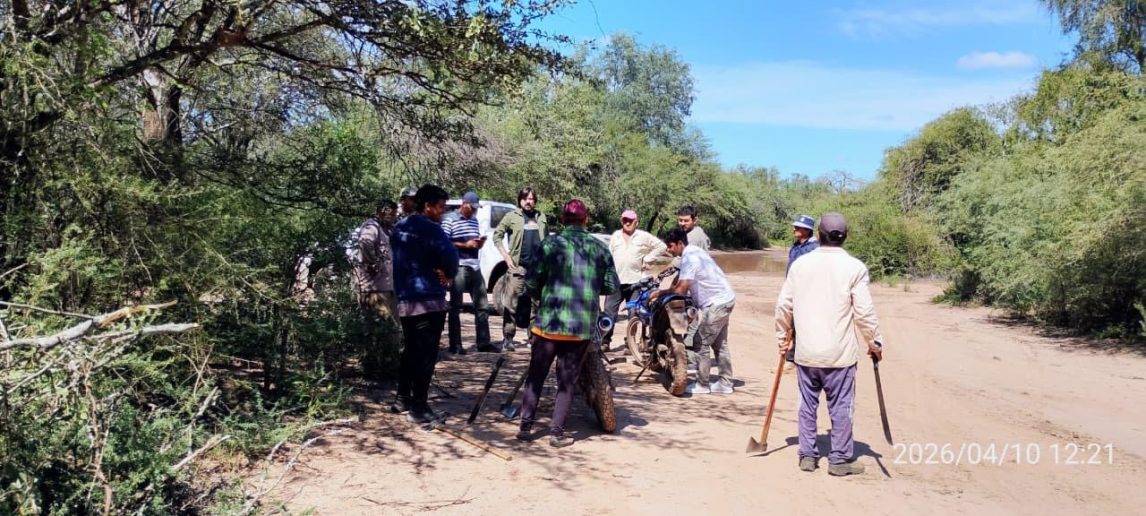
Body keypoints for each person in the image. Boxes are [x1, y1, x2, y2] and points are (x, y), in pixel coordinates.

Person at [775, 212, 884, 476]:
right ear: (845, 237)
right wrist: (875, 342)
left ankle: (808, 455)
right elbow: (864, 313)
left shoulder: (801, 265)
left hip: (806, 353)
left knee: (806, 405)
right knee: (841, 407)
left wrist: (782, 339)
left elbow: (783, 306)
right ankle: (839, 460)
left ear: (818, 234)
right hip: (840, 355)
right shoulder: (855, 267)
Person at [517, 199, 618, 448]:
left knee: (536, 376)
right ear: (586, 219)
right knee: (567, 381)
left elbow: (531, 282)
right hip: (580, 328)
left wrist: (542, 295)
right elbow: (611, 286)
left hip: (548, 325)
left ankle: (525, 428)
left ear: (562, 220)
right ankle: (556, 433)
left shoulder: (549, 244)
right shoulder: (600, 248)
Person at [390, 184, 459, 423]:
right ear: (427, 205)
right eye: (440, 207)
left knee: (410, 350)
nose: (442, 212)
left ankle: (402, 398)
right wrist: (447, 274)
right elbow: (451, 258)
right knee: (426, 355)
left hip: (405, 299)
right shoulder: (432, 230)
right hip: (429, 300)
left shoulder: (399, 227)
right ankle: (419, 407)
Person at [658, 228, 736, 394]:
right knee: (720, 344)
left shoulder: (690, 258)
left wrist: (660, 293)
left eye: (671, 246)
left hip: (716, 304)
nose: (669, 250)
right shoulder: (695, 252)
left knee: (701, 342)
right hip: (726, 298)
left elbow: (680, 290)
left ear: (680, 243)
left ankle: (702, 384)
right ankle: (725, 383)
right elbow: (682, 283)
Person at [603, 209, 668, 349]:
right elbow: (608, 256)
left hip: (636, 282)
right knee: (609, 312)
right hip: (616, 281)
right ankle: (605, 342)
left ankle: (630, 344)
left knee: (633, 314)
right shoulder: (615, 236)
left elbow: (662, 246)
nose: (627, 223)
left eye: (630, 220)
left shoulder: (643, 236)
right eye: (625, 220)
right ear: (621, 221)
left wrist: (649, 258)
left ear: (636, 222)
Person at [351, 200, 401, 381]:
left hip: (387, 286)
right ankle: (374, 370)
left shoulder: (386, 228)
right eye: (390, 213)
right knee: (379, 330)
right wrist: (372, 264)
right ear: (382, 212)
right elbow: (365, 244)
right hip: (373, 288)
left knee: (391, 330)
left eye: (394, 213)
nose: (393, 216)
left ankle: (387, 369)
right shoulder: (371, 226)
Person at [493, 186, 547, 351]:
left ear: (535, 201)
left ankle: (533, 339)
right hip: (518, 269)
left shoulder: (541, 217)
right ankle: (508, 339)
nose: (528, 201)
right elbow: (497, 235)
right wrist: (506, 256)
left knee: (536, 306)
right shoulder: (512, 216)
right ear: (520, 200)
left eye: (531, 198)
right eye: (525, 198)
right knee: (510, 305)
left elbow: (547, 239)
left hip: (537, 270)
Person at [442, 191, 492, 354]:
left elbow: (473, 241)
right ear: (463, 204)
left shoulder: (474, 220)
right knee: (456, 306)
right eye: (472, 207)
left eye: (476, 207)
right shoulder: (449, 219)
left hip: (474, 265)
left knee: (483, 305)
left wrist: (478, 244)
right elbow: (444, 243)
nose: (474, 210)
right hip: (459, 266)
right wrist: (465, 245)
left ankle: (483, 342)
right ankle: (455, 345)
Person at [784, 214, 819, 363]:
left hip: (807, 291)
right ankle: (794, 351)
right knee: (792, 321)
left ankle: (803, 351)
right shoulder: (796, 246)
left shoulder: (814, 248)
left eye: (798, 227)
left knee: (805, 321)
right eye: (795, 226)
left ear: (807, 230)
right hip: (793, 289)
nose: (794, 229)